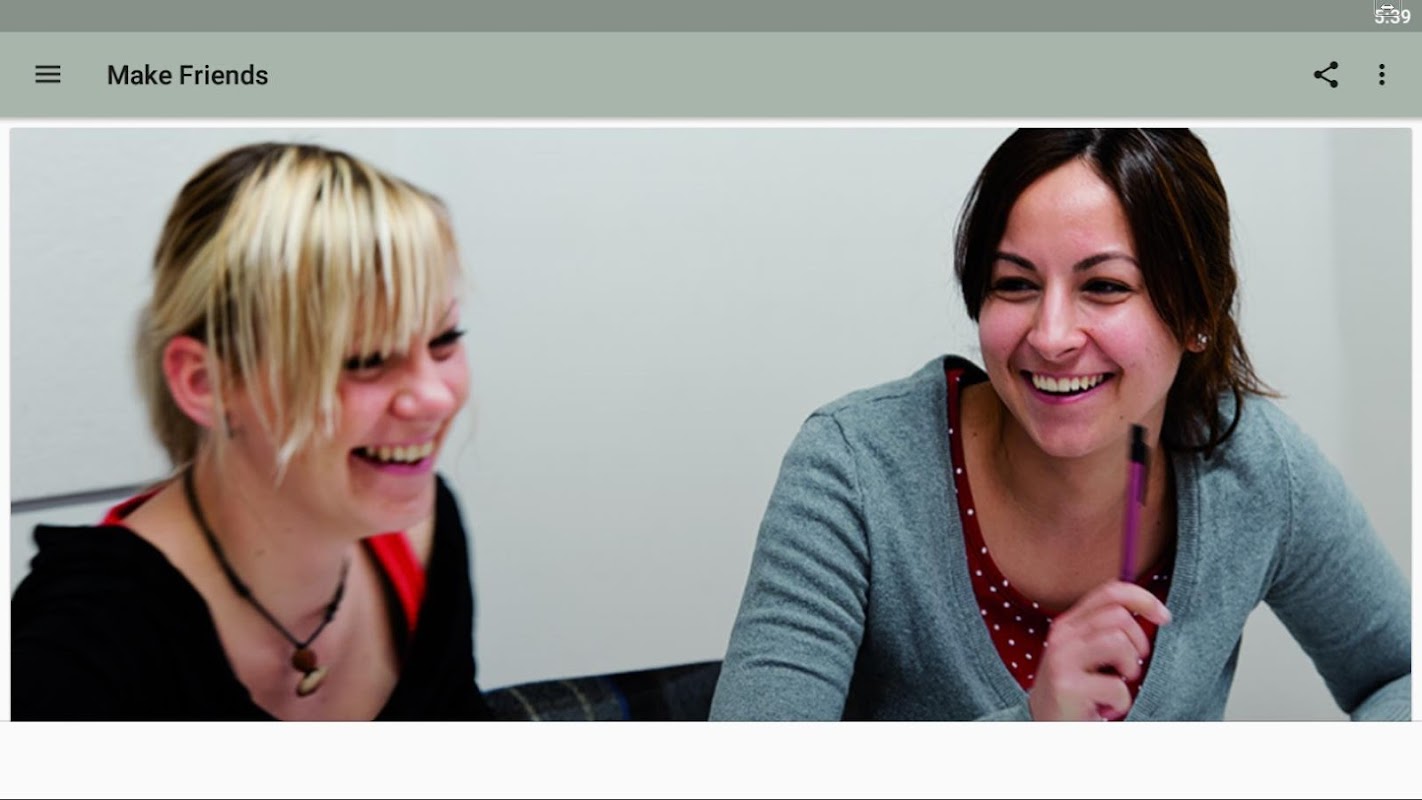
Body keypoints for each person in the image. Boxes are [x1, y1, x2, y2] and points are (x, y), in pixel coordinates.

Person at [709, 128, 1411, 721]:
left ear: (1197, 312)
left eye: (1104, 286)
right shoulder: (853, 470)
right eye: (1015, 284)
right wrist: (1033, 734)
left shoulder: (1256, 466)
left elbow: (1401, 674)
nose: (1050, 336)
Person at [11, 142, 493, 720]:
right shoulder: (82, 648)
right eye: (364, 360)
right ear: (205, 383)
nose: (436, 397)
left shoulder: (425, 533)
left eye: (444, 341)